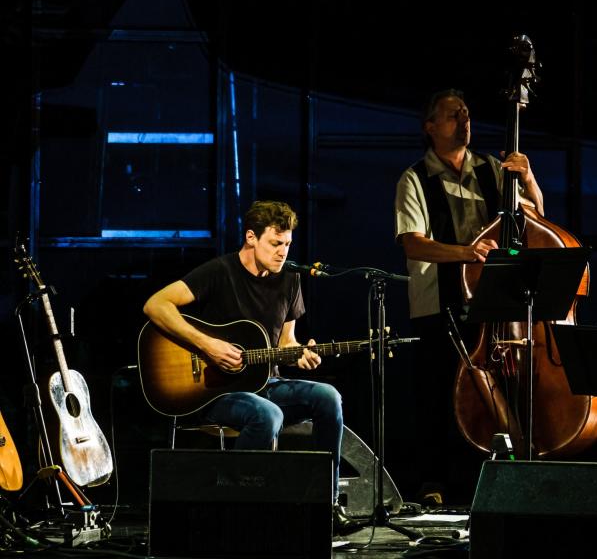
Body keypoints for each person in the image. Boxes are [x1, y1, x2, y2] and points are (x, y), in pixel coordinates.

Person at [143, 200, 362, 536]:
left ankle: (326, 505)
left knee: (328, 397)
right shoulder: (219, 272)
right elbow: (155, 304)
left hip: (266, 383)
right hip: (213, 392)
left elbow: (285, 343)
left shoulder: (289, 280)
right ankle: (238, 509)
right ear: (251, 237)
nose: (283, 253)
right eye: (275, 244)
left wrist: (298, 353)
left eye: (287, 244)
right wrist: (208, 345)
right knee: (267, 414)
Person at [393, 88, 544, 505]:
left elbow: (536, 217)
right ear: (430, 127)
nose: (464, 120)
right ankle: (434, 483)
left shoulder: (492, 169)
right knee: (438, 395)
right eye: (452, 115)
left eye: (466, 113)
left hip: (491, 303)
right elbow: (413, 244)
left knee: (497, 392)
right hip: (437, 305)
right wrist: (466, 253)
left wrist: (528, 179)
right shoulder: (414, 178)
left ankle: (492, 480)